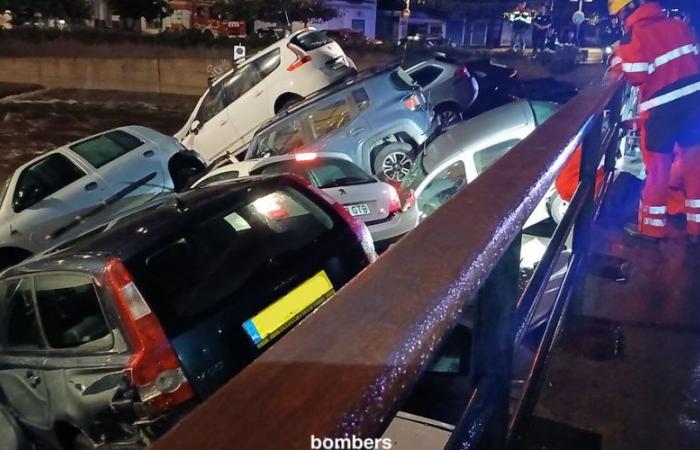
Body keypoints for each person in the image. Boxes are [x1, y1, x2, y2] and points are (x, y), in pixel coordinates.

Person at [609, 0, 700, 244]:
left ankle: (651, 230)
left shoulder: (634, 37)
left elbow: (636, 75)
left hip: (661, 113)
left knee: (658, 172)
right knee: (694, 167)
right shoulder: (679, 25)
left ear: (627, 11)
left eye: (618, 15)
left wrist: (619, 54)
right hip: (693, 106)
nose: (618, 20)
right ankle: (696, 228)